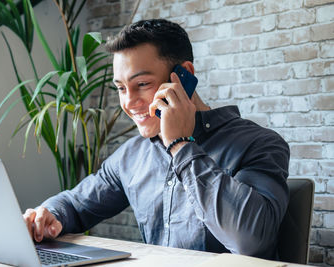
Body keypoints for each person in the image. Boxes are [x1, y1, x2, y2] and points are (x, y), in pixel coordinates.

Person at [22, 19, 290, 259]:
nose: (128, 102)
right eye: (120, 88)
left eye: (141, 85)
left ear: (184, 77)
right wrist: (48, 214)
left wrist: (181, 145)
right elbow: (75, 204)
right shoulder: (131, 156)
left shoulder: (260, 143)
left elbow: (251, 241)